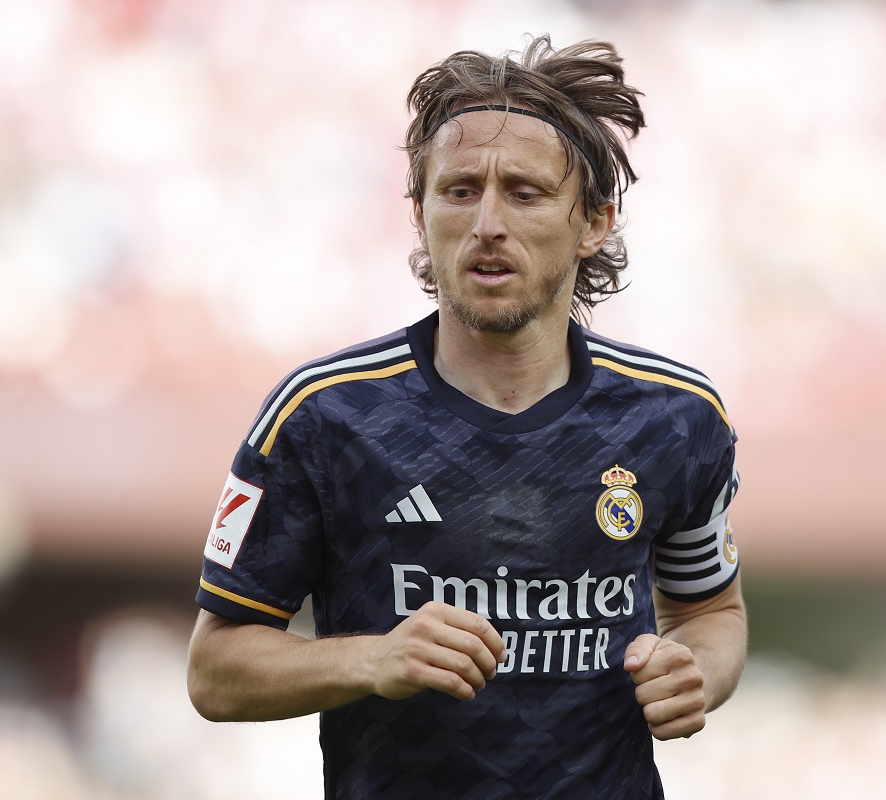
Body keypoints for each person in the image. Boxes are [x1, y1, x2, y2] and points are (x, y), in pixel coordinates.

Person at [187, 34, 746, 799]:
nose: (487, 222)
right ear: (419, 215)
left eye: (524, 191)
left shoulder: (676, 416)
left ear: (594, 222)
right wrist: (372, 660)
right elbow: (215, 672)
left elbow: (711, 608)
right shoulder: (323, 414)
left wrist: (698, 673)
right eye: (458, 190)